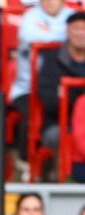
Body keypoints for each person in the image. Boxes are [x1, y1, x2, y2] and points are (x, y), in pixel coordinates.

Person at [36, 12, 85, 153]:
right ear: (67, 31)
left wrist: (68, 92)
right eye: (76, 28)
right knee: (60, 136)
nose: (81, 33)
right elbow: (49, 99)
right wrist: (81, 100)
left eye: (84, 29)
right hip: (60, 123)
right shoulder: (52, 59)